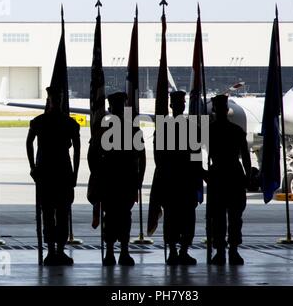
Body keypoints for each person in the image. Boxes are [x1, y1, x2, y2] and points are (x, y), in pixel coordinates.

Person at [26, 87, 80, 266]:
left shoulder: (45, 122)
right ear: (50, 100)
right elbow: (29, 143)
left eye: (58, 98)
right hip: (54, 171)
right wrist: (33, 167)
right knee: (50, 212)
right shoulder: (61, 122)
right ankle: (52, 251)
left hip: (55, 171)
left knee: (59, 213)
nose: (57, 102)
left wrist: (75, 174)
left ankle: (57, 251)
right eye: (55, 98)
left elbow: (78, 150)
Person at [90, 91, 145, 266]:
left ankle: (123, 251)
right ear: (110, 109)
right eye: (116, 107)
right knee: (111, 217)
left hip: (126, 179)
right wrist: (98, 176)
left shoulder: (133, 130)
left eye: (121, 106)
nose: (119, 110)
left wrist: (139, 181)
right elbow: (92, 156)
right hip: (110, 180)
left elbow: (141, 158)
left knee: (124, 217)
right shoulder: (103, 131)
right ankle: (110, 252)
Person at [153, 90, 199, 266]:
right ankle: (174, 251)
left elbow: (195, 155)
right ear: (172, 106)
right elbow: (159, 157)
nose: (180, 107)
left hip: (179, 179)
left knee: (184, 219)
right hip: (175, 179)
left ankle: (181, 251)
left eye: (181, 104)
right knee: (174, 218)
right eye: (178, 104)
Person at [207, 93, 251, 265]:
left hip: (219, 174)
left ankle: (223, 251)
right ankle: (232, 250)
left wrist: (204, 172)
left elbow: (198, 155)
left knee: (221, 217)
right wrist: (247, 175)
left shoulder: (209, 130)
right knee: (232, 217)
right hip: (232, 173)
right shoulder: (237, 131)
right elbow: (246, 157)